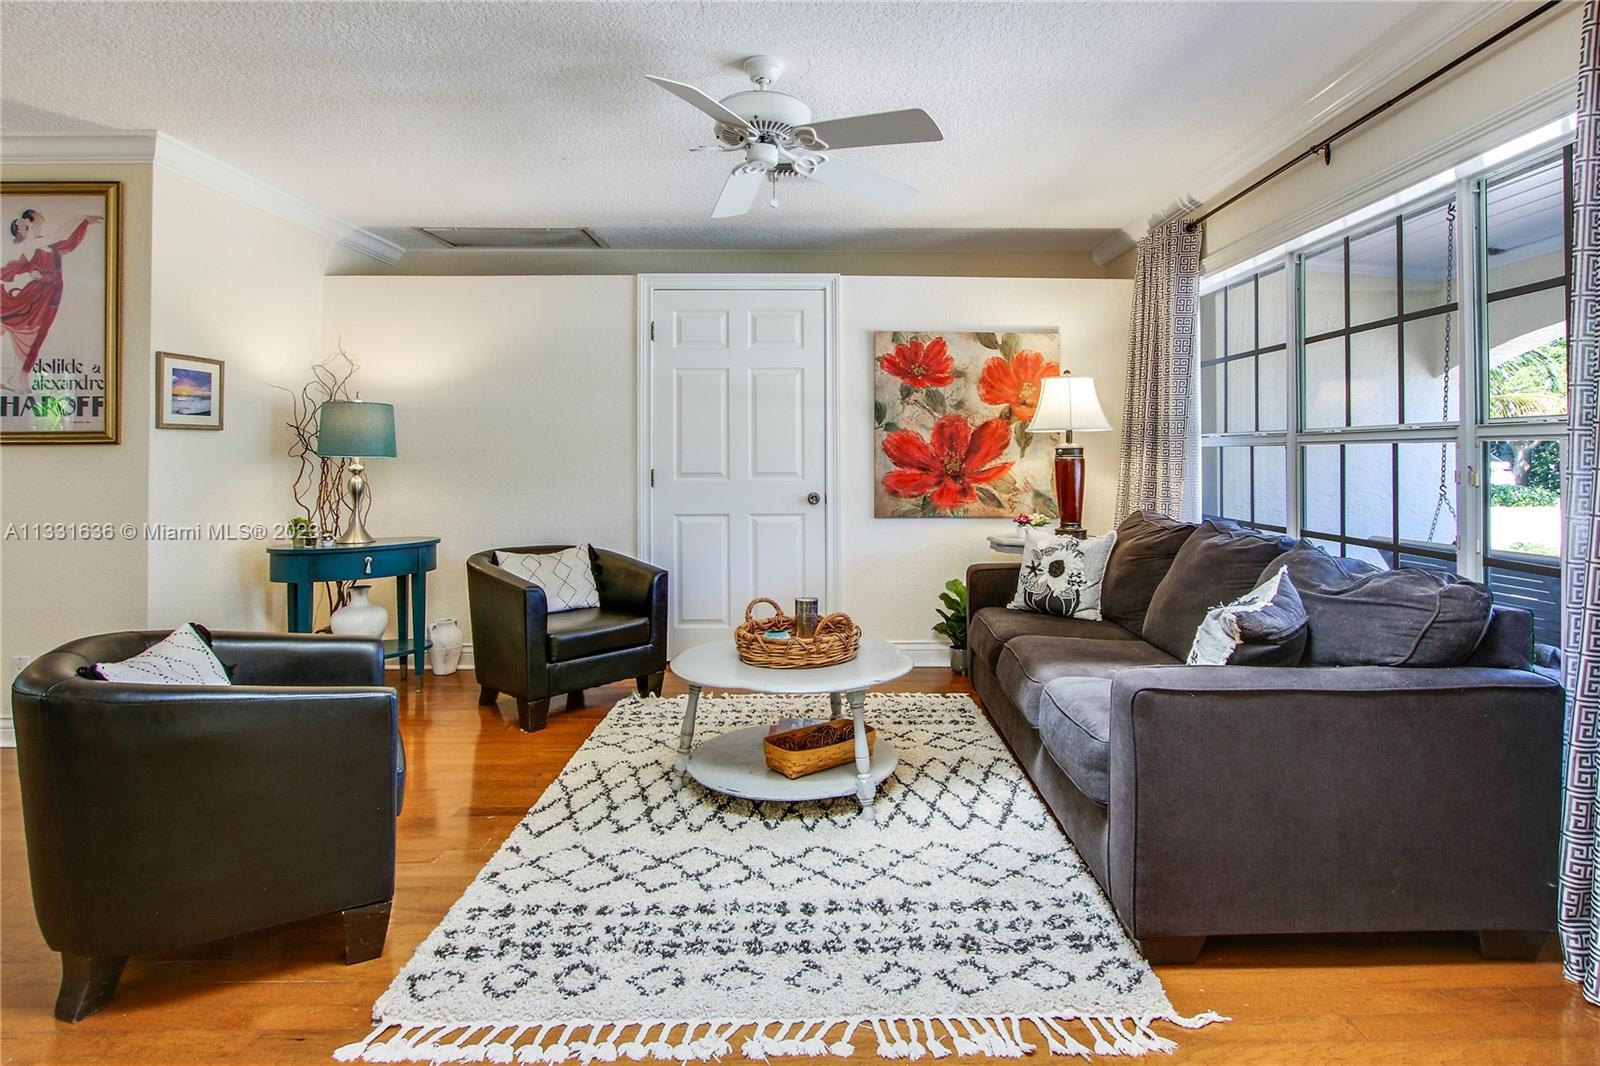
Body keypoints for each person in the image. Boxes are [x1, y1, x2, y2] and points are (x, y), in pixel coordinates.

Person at [2, 208, 103, 393]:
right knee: (29, 334)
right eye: (36, 214)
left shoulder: (47, 243)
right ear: (29, 222)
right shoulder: (32, 243)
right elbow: (59, 235)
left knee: (39, 335)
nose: (41, 214)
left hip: (53, 290)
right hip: (38, 293)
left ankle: (21, 376)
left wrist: (85, 224)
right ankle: (17, 378)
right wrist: (77, 216)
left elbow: (70, 243)